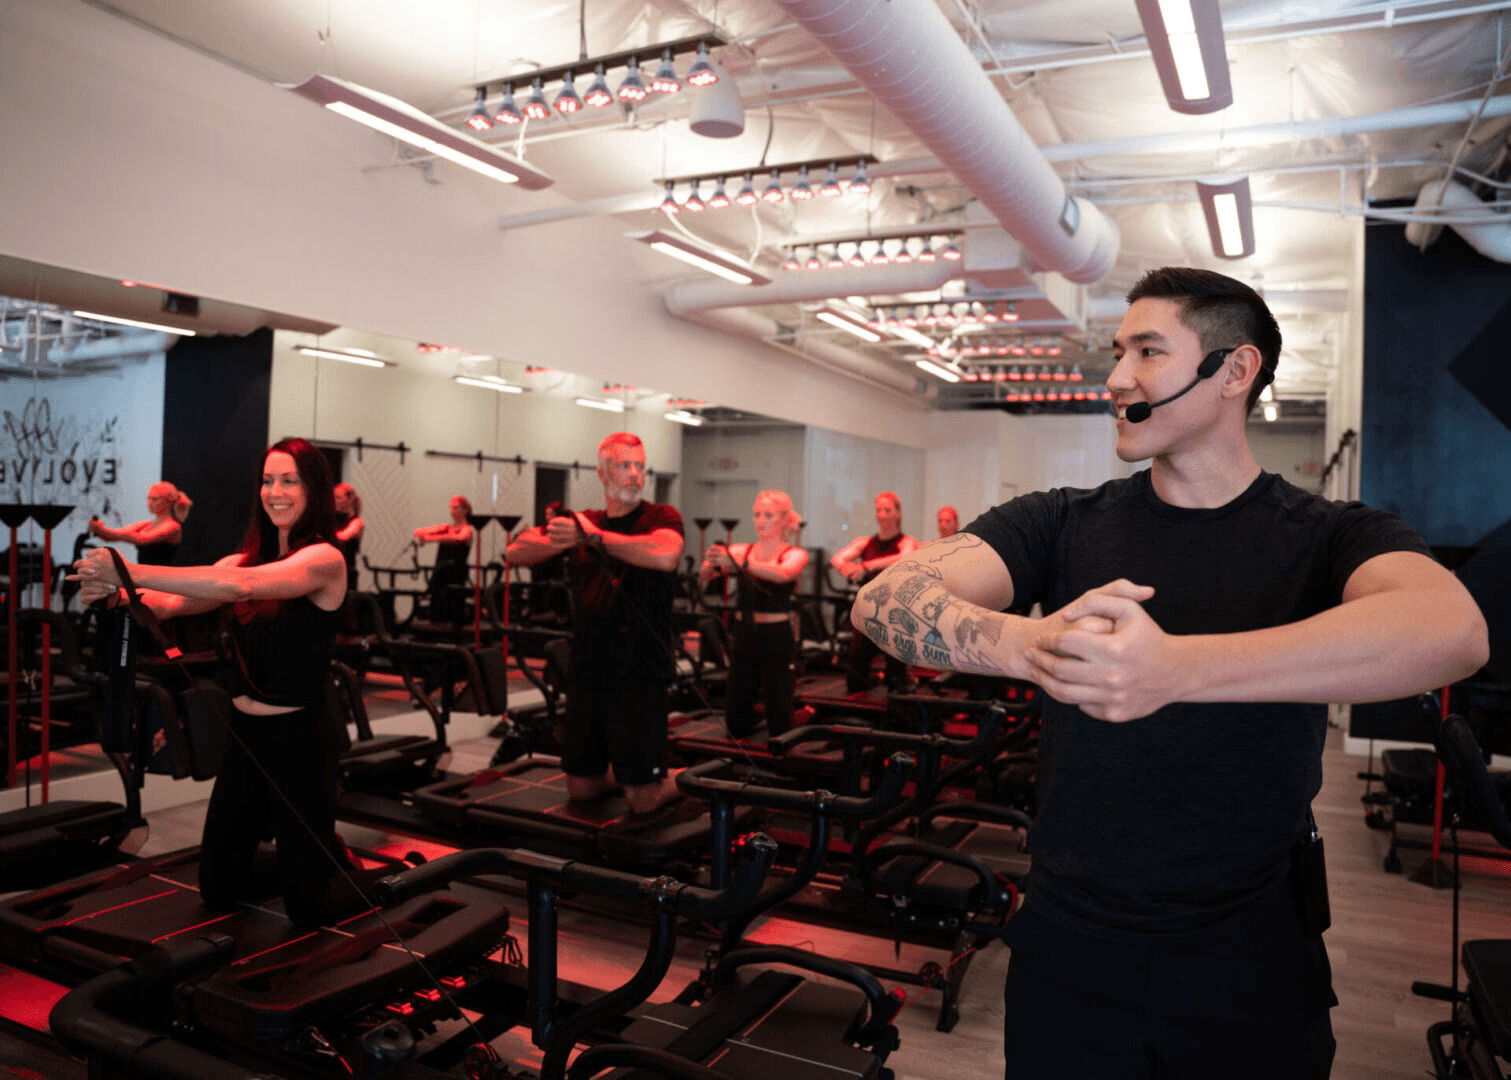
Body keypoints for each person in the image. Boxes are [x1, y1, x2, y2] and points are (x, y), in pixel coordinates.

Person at [852, 267, 1489, 1079]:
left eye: (1148, 351)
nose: (1117, 378)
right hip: (1069, 945)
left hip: (1251, 949)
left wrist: (1175, 667)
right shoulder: (1057, 522)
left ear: (1234, 370)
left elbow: (1452, 631)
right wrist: (1024, 645)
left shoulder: (1329, 534)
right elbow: (883, 598)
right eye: (1117, 352)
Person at [73, 438, 360, 928]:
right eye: (268, 481)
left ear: (313, 487)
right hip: (246, 740)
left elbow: (238, 590)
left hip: (303, 742)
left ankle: (350, 873)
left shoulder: (325, 560)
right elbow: (169, 603)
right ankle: (315, 857)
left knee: (309, 910)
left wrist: (125, 569)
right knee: (219, 888)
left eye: (289, 480)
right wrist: (117, 593)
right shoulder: (240, 560)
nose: (276, 491)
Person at [507, 432, 684, 814]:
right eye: (624, 466)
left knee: (643, 800)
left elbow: (666, 555)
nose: (635, 474)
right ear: (603, 475)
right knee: (581, 790)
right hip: (588, 669)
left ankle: (680, 779)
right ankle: (624, 775)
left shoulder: (660, 517)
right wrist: (570, 539)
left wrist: (593, 537)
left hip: (640, 672)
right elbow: (516, 552)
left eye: (640, 466)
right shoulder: (582, 522)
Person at [701, 490, 809, 739]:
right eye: (756, 515)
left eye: (768, 515)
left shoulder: (794, 554)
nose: (760, 521)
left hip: (776, 638)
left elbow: (782, 574)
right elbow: (704, 576)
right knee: (735, 718)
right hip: (743, 635)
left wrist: (741, 563)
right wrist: (710, 562)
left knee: (779, 715)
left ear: (783, 519)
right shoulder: (742, 549)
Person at [831, 491, 919, 693]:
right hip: (869, 613)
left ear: (898, 513)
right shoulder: (864, 542)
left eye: (887, 510)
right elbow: (837, 559)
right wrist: (848, 568)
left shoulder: (906, 542)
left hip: (894, 613)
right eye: (878, 510)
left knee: (896, 675)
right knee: (856, 667)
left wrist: (866, 566)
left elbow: (903, 557)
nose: (882, 515)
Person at [88, 481, 192, 565]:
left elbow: (141, 539)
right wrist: (100, 530)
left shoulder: (173, 526)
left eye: (155, 499)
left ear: (167, 501)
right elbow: (112, 536)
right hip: (145, 577)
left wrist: (103, 530)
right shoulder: (145, 525)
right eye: (149, 498)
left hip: (161, 580)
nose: (149, 503)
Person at [414, 494, 473, 623]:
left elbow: (458, 539)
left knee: (453, 602)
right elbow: (420, 531)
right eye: (451, 507)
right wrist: (422, 534)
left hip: (456, 572)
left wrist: (430, 539)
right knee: (437, 601)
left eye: (456, 508)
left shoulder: (467, 529)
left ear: (465, 510)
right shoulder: (446, 527)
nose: (452, 511)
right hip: (441, 571)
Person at [332, 482, 364, 592]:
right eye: (333, 497)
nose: (334, 501)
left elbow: (343, 537)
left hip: (346, 573)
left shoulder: (357, 523)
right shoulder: (330, 520)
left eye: (338, 498)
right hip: (329, 570)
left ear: (349, 500)